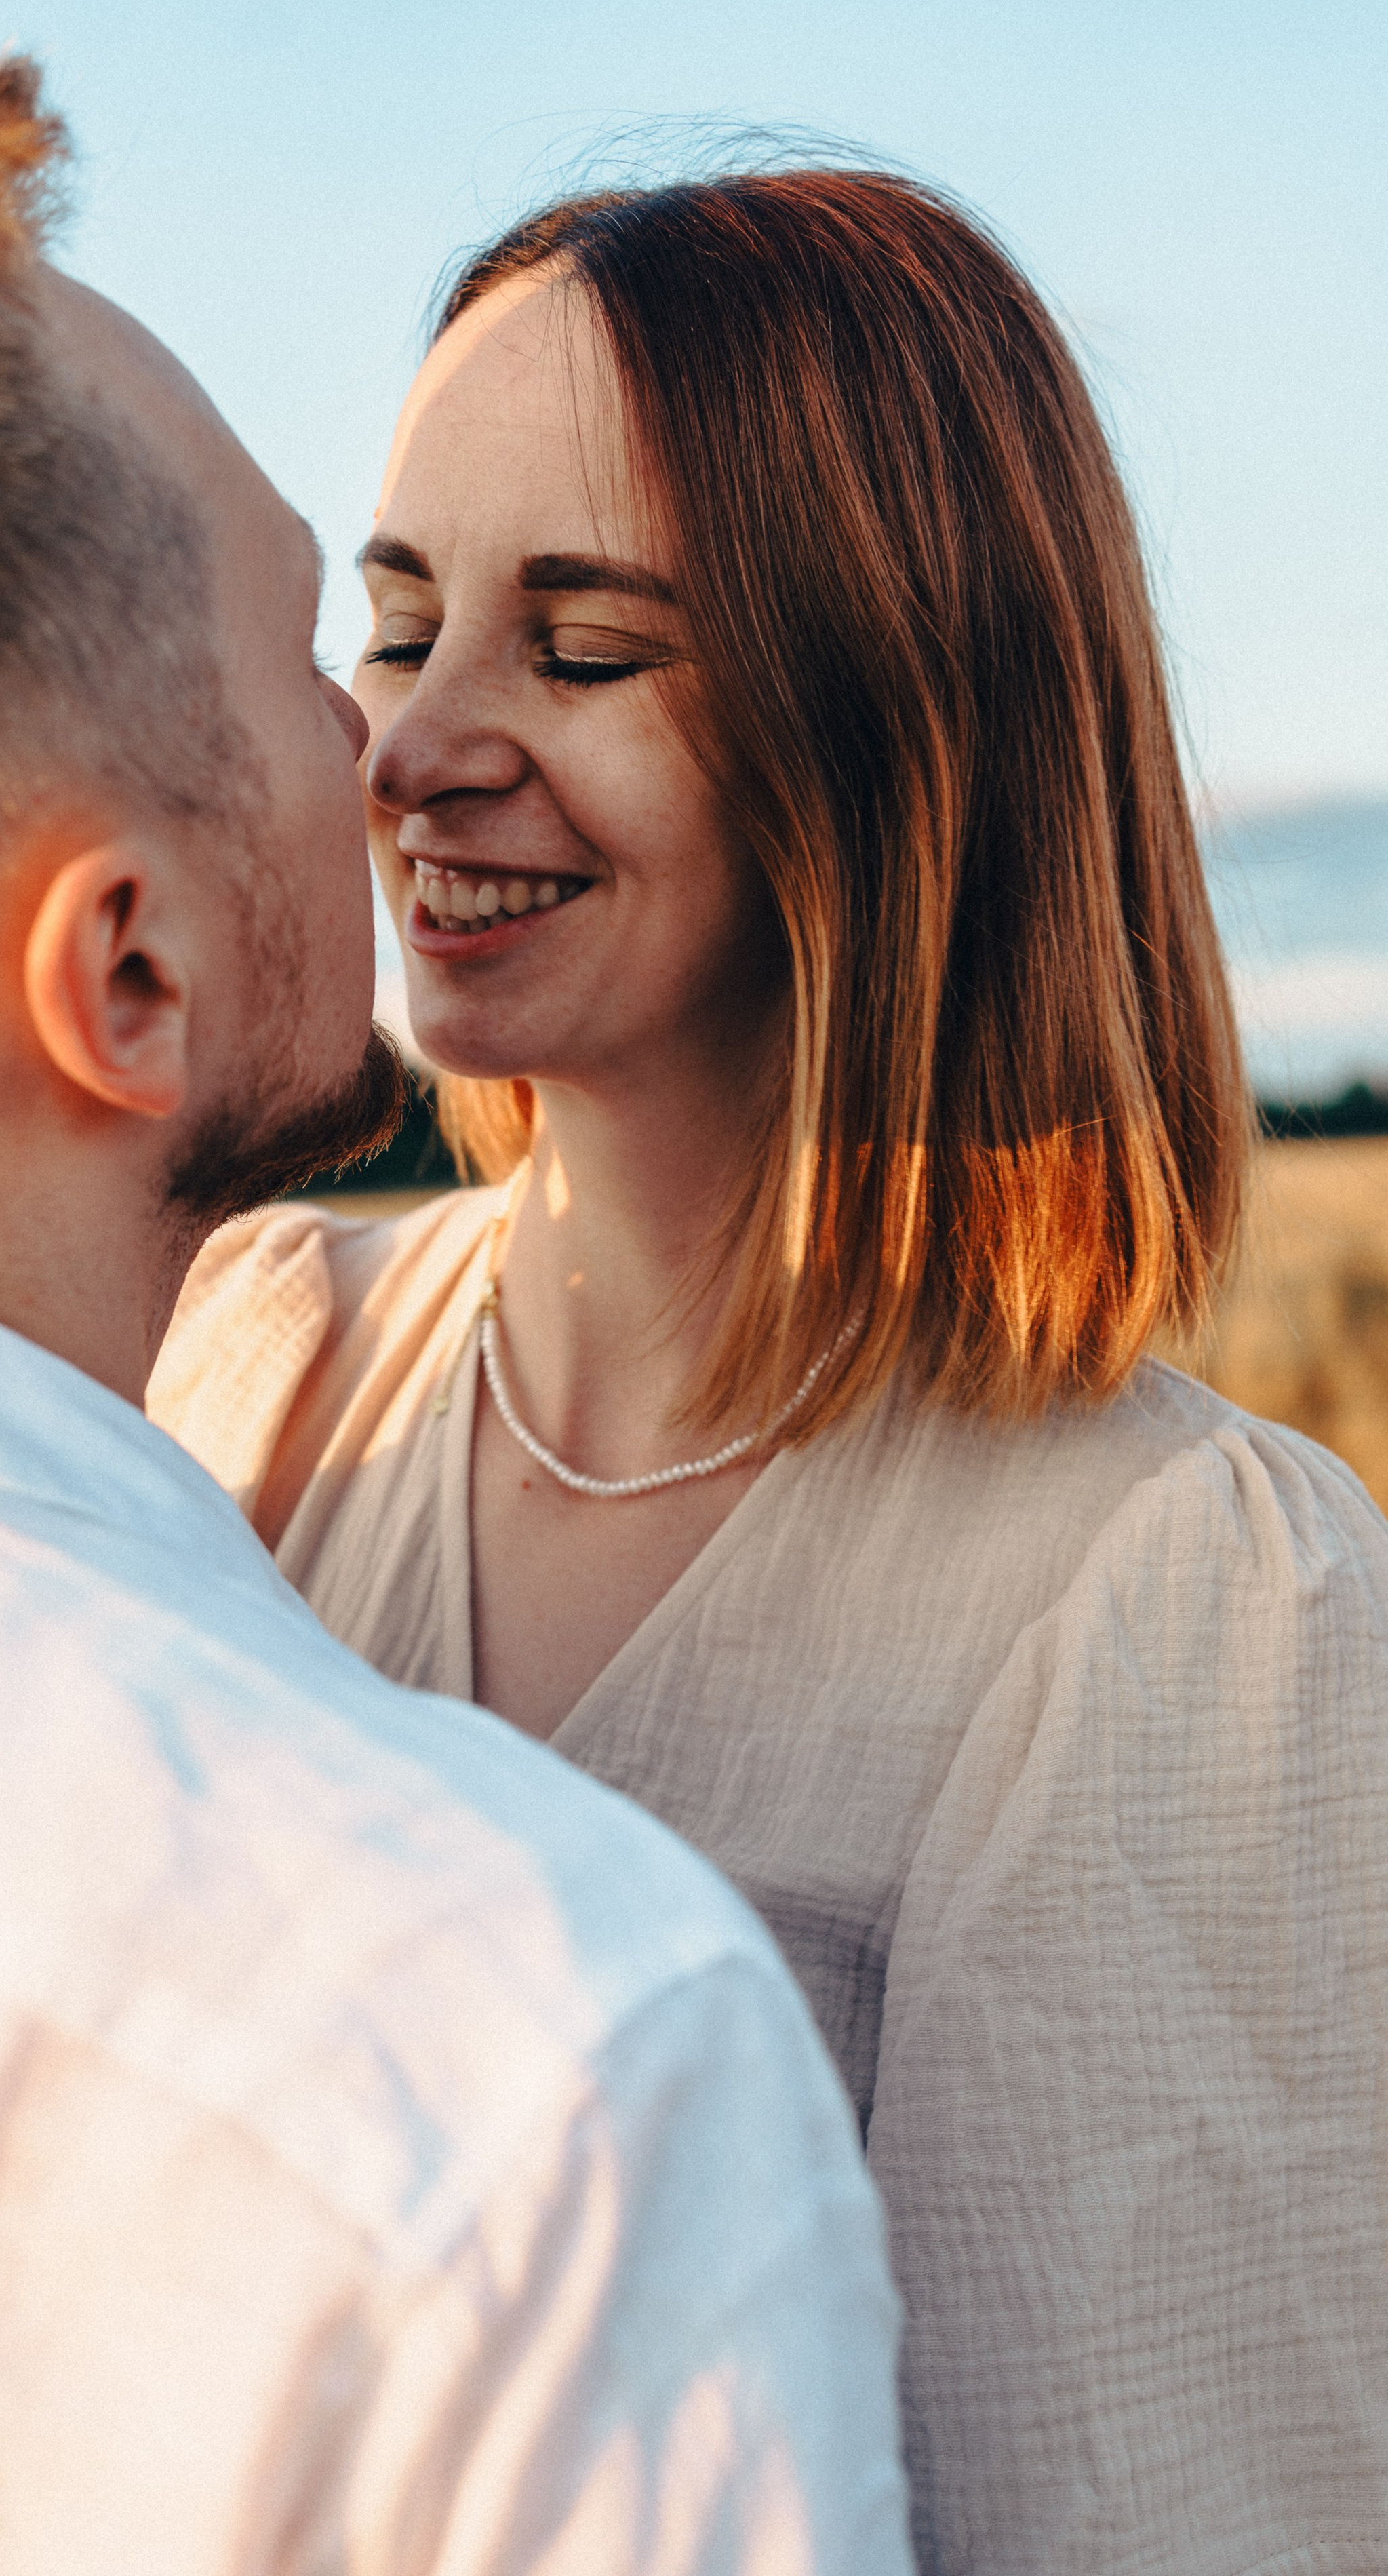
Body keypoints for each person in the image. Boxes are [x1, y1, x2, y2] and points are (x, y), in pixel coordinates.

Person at [0, 57, 913, 2576]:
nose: (396, 750)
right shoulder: (528, 2074)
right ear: (121, 967)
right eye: (314, 651)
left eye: (569, 641)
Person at [151, 170, 1388, 2573]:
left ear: (897, 711)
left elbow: (1159, 2505)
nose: (420, 751)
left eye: (585, 651)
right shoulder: (254, 1359)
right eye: (398, 629)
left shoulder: (1189, 1610)